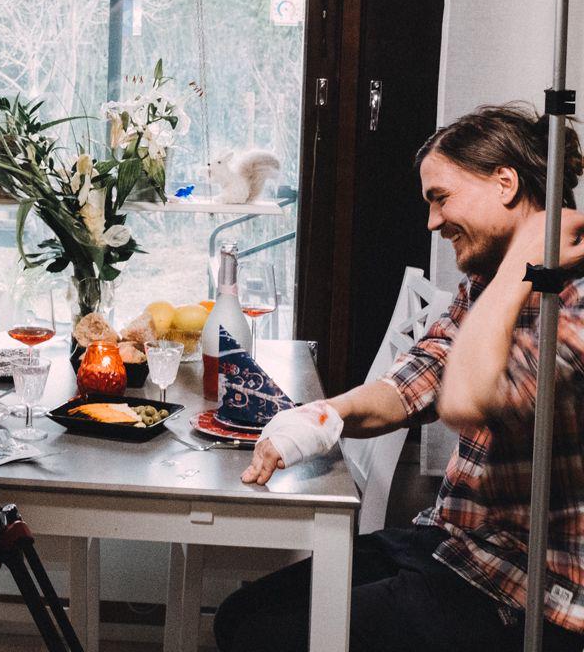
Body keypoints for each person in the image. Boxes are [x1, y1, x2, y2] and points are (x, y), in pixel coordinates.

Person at [215, 104, 584, 652]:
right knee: (241, 615)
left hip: (521, 589)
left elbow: (464, 399)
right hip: (451, 545)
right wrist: (318, 417)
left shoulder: (571, 300)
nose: (433, 222)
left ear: (505, 184)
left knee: (265, 637)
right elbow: (410, 386)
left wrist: (521, 265)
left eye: (441, 197)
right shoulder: (487, 283)